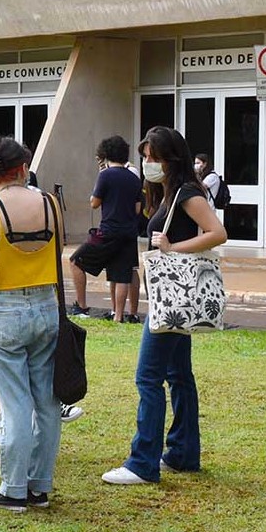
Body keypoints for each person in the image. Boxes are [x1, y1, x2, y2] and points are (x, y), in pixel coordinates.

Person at [102, 126, 227, 486]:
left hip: (173, 298)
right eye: (145, 157)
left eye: (153, 158)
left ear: (171, 158)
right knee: (177, 375)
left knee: (148, 377)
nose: (147, 164)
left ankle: (143, 462)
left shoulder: (187, 192)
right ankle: (183, 452)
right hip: (174, 297)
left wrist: (173, 247)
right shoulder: (170, 192)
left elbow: (217, 232)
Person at [0, 137, 62, 510]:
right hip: (45, 307)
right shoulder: (50, 204)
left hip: (3, 310)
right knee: (47, 402)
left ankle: (13, 489)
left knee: (14, 403)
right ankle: (39, 486)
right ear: (23, 169)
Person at [68, 136, 142, 322]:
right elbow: (138, 208)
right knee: (122, 275)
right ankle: (118, 316)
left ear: (106, 155)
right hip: (128, 232)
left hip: (108, 231)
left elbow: (94, 203)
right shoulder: (133, 178)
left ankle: (82, 306)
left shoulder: (105, 175)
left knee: (76, 261)